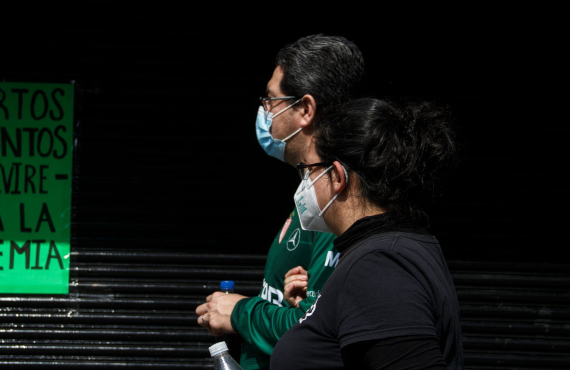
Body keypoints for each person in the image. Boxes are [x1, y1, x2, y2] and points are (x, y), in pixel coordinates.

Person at [195, 34, 367, 369]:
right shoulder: (309, 198)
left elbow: (315, 331)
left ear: (305, 110)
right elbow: (300, 312)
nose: (264, 111)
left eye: (271, 100)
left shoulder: (339, 207)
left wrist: (240, 313)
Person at [271, 98, 464, 369]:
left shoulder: (378, 265)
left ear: (337, 177)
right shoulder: (390, 253)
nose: (304, 184)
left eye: (308, 170)